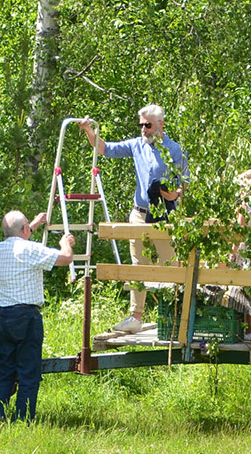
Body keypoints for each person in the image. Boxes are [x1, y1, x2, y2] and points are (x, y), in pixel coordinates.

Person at [78, 105, 190, 334]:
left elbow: (186, 180)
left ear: (161, 125)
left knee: (170, 265)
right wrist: (89, 130)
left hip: (166, 215)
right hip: (139, 214)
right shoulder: (136, 145)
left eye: (148, 125)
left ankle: (176, 316)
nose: (144, 130)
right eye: (141, 125)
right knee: (138, 264)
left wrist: (176, 193)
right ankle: (135, 317)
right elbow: (104, 149)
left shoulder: (174, 149)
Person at [0, 211, 75, 421]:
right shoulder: (29, 249)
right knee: (29, 371)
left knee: (6, 370)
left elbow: (17, 236)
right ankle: (23, 418)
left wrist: (34, 224)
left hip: (3, 315)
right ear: (24, 230)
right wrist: (66, 243)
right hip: (26, 316)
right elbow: (65, 259)